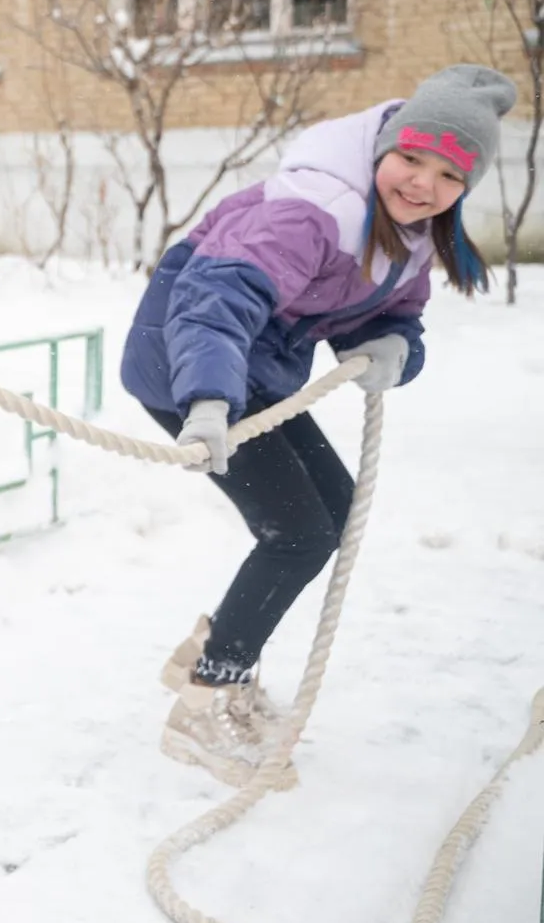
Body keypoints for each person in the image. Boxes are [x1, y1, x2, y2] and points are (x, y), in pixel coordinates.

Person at [121, 64, 516, 786]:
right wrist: (206, 399)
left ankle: (214, 655)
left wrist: (396, 344)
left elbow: (390, 306)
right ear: (382, 148)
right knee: (297, 531)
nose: (423, 182)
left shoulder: (413, 228)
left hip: (261, 373)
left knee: (330, 509)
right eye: (411, 157)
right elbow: (218, 296)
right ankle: (206, 698)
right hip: (190, 361)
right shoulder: (315, 208)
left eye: (449, 173)